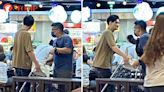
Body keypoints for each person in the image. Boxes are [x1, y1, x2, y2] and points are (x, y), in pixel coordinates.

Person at [90, 15, 129, 92]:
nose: (117, 24)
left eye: (118, 23)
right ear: (110, 22)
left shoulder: (107, 33)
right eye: (116, 22)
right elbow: (113, 46)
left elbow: (112, 48)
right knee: (110, 87)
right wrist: (125, 56)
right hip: (102, 66)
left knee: (105, 88)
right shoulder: (108, 32)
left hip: (100, 65)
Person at [12, 15, 40, 92]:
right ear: (31, 25)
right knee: (25, 86)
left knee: (19, 86)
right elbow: (29, 51)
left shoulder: (17, 33)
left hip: (16, 64)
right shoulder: (26, 34)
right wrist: (36, 63)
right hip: (24, 64)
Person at [50, 22, 73, 92]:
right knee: (57, 88)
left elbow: (68, 50)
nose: (52, 31)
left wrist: (56, 49)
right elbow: (54, 54)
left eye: (53, 29)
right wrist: (47, 61)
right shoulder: (55, 40)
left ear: (58, 30)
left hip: (65, 69)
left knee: (64, 89)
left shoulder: (66, 38)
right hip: (56, 68)